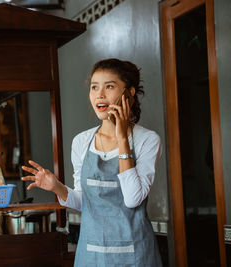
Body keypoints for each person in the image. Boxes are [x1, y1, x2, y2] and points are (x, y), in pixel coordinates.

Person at [21, 58, 163, 266]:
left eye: (109, 87)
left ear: (129, 93)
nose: (100, 95)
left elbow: (133, 199)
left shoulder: (147, 140)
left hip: (135, 254)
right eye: (94, 87)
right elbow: (83, 202)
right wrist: (57, 187)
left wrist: (122, 137)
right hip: (91, 254)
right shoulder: (82, 142)